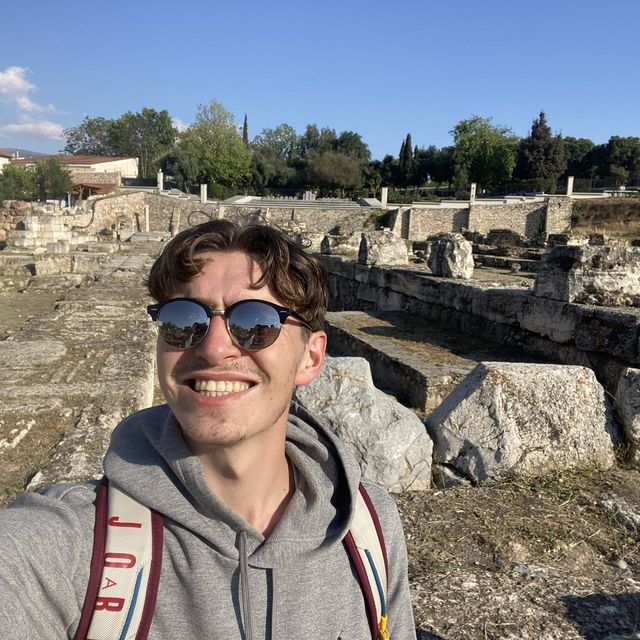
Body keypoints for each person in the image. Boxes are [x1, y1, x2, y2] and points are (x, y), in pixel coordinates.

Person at [0, 219, 416, 639]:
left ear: (311, 358)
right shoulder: (67, 546)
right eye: (185, 320)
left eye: (257, 323)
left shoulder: (368, 526)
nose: (214, 347)